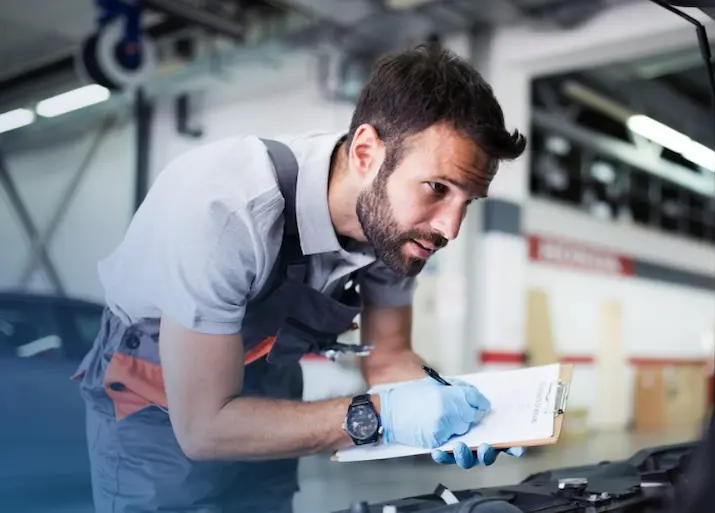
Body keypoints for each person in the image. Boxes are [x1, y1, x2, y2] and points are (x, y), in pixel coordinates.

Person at [73, 42, 528, 512]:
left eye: (467, 201)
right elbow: (203, 428)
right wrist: (382, 417)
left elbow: (390, 358)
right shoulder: (226, 211)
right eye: (438, 188)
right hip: (157, 397)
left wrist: (454, 415)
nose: (449, 227)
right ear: (367, 152)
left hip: (270, 380)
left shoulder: (397, 230)